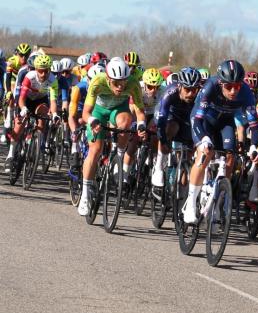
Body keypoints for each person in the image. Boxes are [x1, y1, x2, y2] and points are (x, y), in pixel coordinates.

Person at [182, 60, 258, 224]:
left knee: (230, 157)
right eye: (228, 87)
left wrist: (254, 146)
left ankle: (217, 203)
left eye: (237, 86)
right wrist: (203, 139)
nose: (233, 91)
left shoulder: (246, 93)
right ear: (220, 83)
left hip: (225, 123)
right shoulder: (210, 87)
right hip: (204, 122)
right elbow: (196, 119)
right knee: (205, 154)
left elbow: (254, 125)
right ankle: (191, 202)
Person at [77, 57, 146, 216]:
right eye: (116, 83)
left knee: (127, 121)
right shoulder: (97, 81)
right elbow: (86, 113)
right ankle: (85, 194)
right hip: (98, 111)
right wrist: (93, 121)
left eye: (124, 82)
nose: (121, 87)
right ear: (108, 78)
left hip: (118, 110)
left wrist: (141, 124)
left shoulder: (133, 83)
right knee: (95, 150)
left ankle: (119, 158)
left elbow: (140, 112)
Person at [5, 55, 58, 172]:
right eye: (40, 71)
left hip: (40, 100)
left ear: (49, 70)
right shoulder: (29, 76)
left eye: (46, 71)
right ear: (36, 69)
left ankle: (35, 145)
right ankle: (10, 155)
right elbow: (21, 98)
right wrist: (23, 108)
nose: (43, 74)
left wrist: (54, 114)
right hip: (26, 100)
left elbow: (53, 101)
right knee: (19, 125)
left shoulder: (53, 80)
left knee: (43, 117)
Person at [151, 67, 202, 189]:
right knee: (171, 127)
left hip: (188, 119)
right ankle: (158, 166)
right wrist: (163, 141)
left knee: (189, 154)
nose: (191, 94)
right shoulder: (170, 92)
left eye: (194, 90)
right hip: (170, 116)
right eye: (187, 89)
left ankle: (180, 191)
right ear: (180, 86)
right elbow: (161, 120)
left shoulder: (201, 96)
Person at [68, 64, 106, 169]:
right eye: (92, 81)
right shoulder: (78, 88)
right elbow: (71, 115)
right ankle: (75, 148)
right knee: (78, 121)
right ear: (87, 79)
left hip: (95, 111)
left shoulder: (105, 90)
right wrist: (74, 130)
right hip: (81, 109)